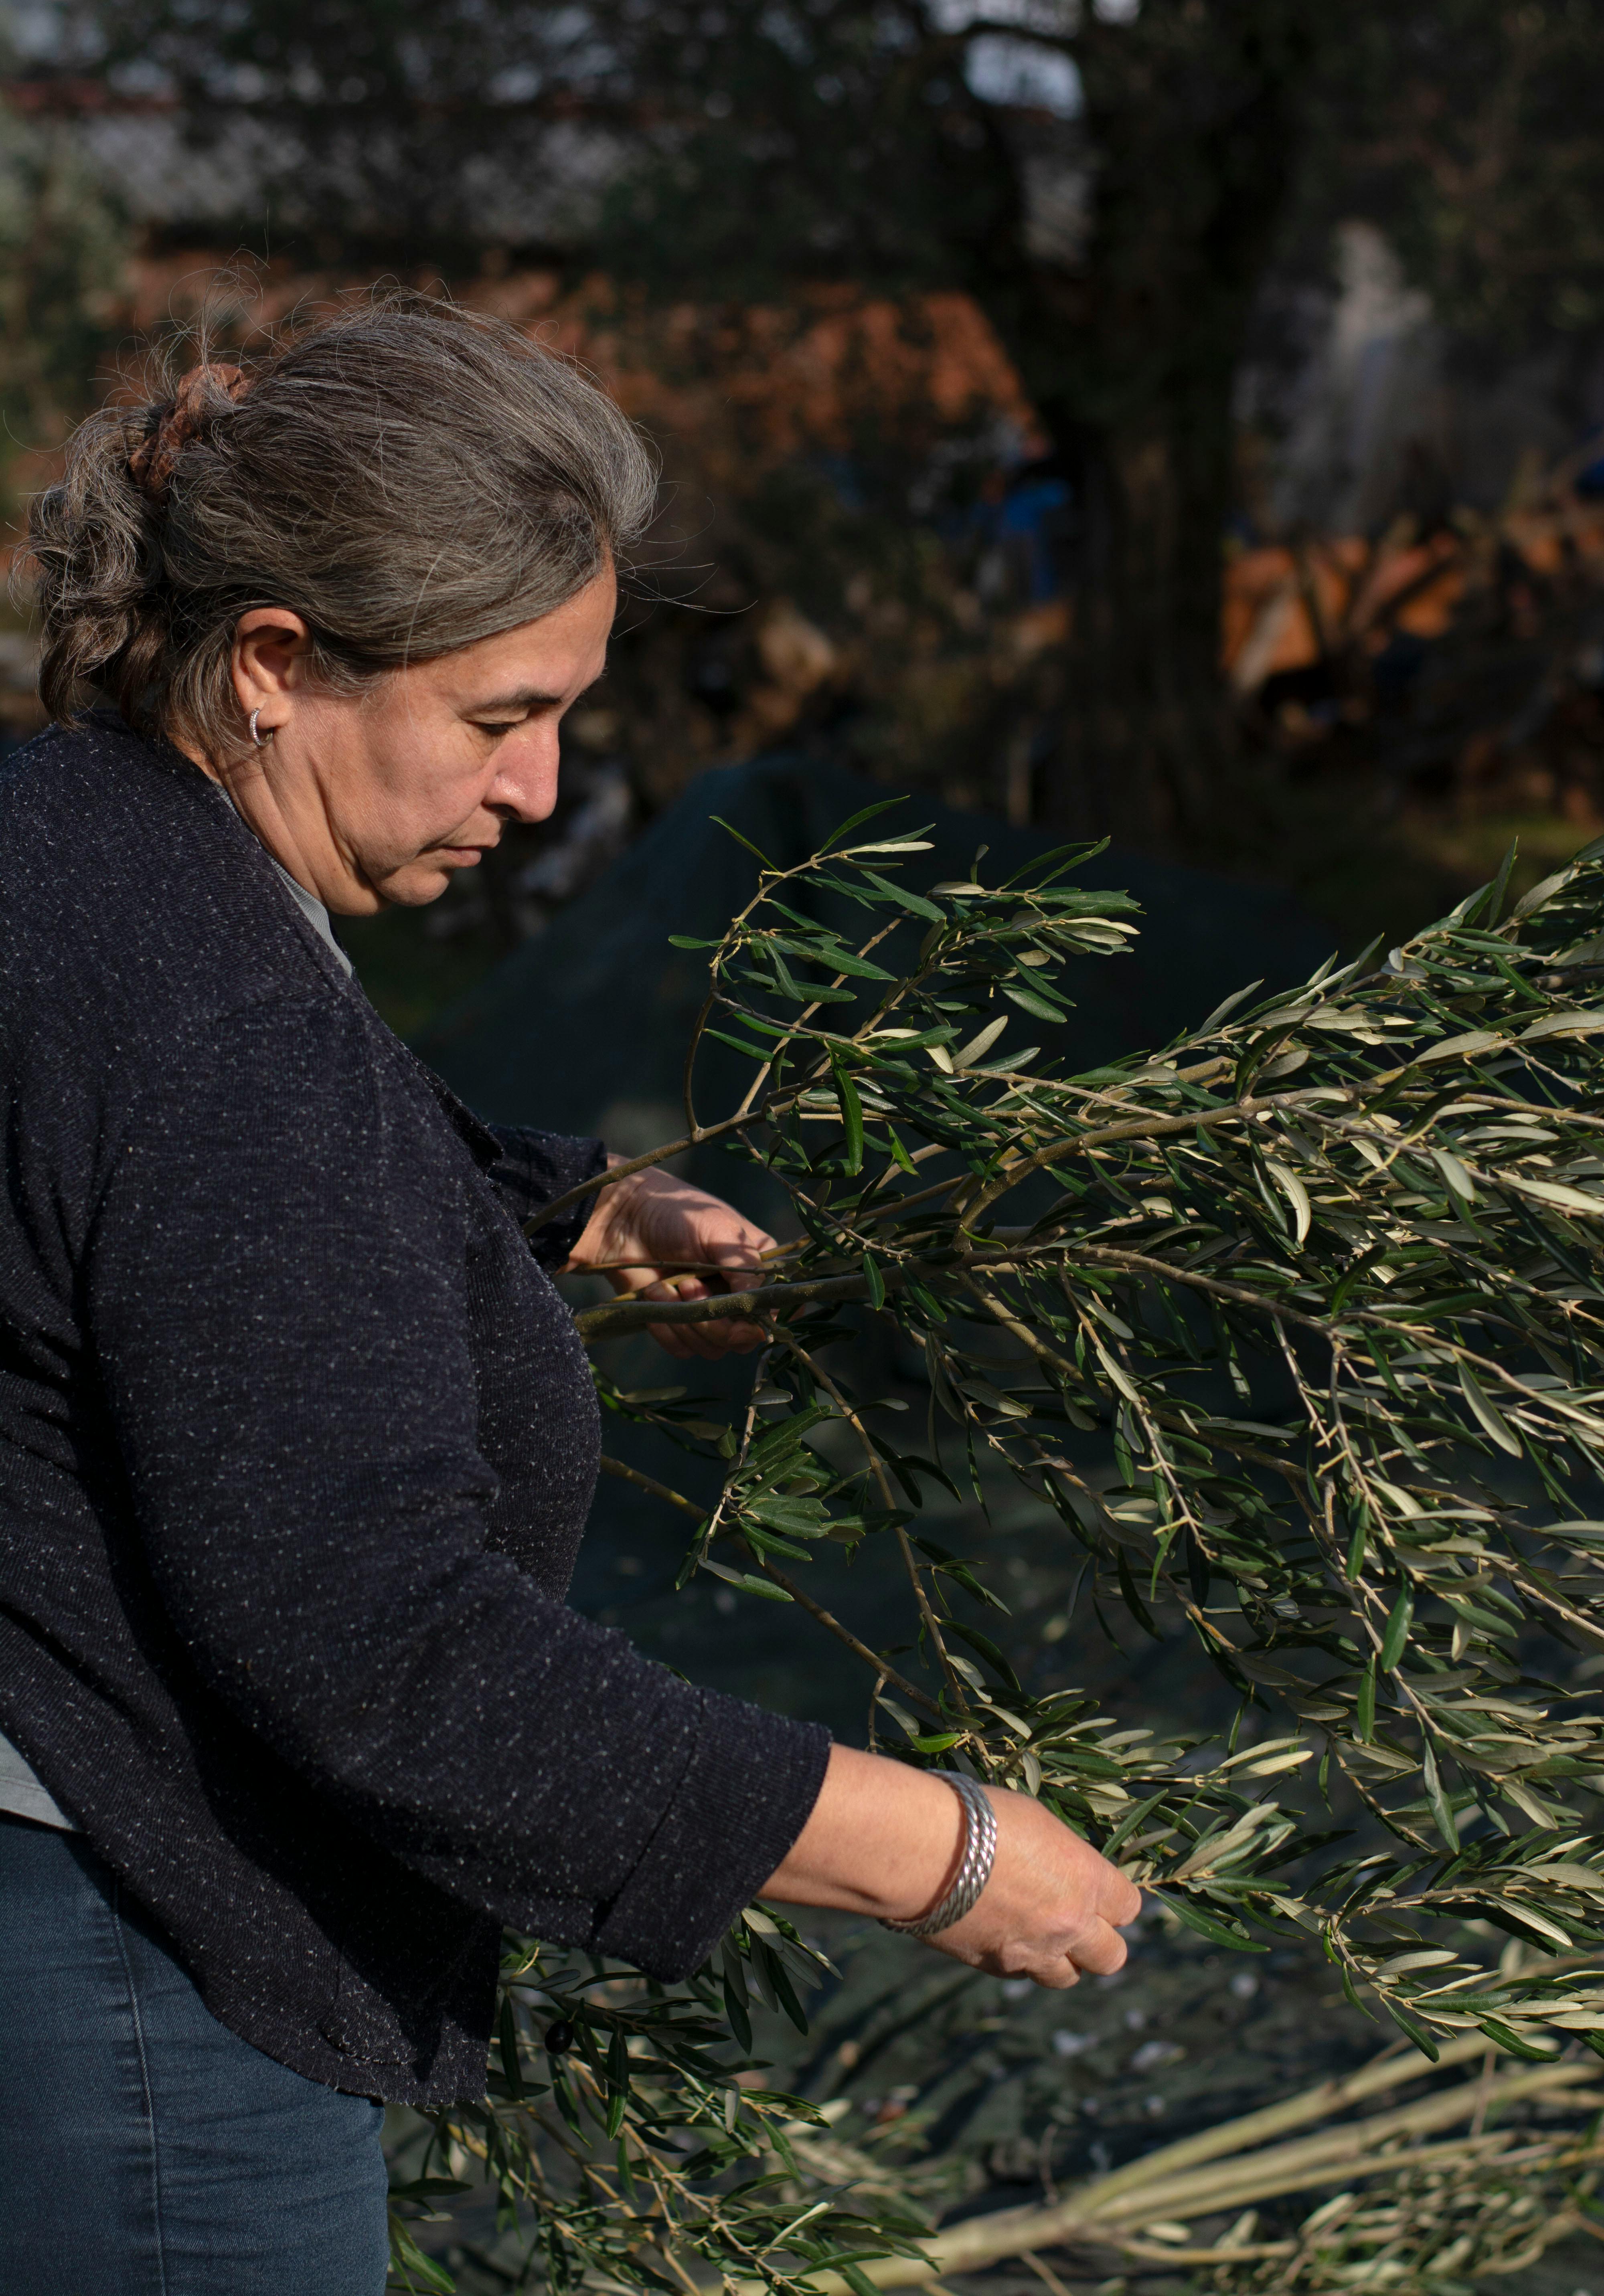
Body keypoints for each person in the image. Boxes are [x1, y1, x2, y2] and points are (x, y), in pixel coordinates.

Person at [0, 297, 1139, 2295]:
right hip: (130, 1977)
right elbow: (383, 1651)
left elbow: (161, 1211)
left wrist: (556, 1208)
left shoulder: (71, 846)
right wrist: (927, 1845)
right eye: (498, 718)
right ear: (274, 664)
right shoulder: (209, 999)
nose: (535, 797)